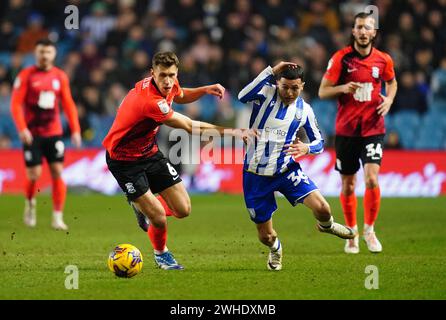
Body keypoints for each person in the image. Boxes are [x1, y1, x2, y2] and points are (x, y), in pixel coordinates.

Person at [103, 52, 250, 270]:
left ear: (176, 72)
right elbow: (190, 126)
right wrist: (232, 131)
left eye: (171, 75)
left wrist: (205, 89)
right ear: (152, 73)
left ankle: (144, 206)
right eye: (162, 75)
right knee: (160, 218)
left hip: (149, 152)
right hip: (123, 160)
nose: (167, 81)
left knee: (183, 209)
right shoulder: (150, 102)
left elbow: (179, 95)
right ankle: (161, 254)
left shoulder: (168, 83)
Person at [238, 61, 355, 271]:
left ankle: (326, 226)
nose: (290, 92)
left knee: (323, 208)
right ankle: (275, 249)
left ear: (302, 86)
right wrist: (271, 70)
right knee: (266, 236)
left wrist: (306, 148)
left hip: (286, 170)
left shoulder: (305, 111)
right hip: (255, 175)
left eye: (295, 88)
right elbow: (241, 95)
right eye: (285, 87)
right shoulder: (264, 93)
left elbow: (319, 141)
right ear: (277, 83)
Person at [318, 12, 398, 254]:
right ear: (353, 31)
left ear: (374, 33)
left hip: (373, 128)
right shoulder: (341, 59)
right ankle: (351, 233)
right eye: (359, 27)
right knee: (349, 185)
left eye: (368, 28)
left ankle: (369, 230)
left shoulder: (383, 60)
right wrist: (344, 87)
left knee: (372, 178)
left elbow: (392, 82)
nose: (363, 32)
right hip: (346, 131)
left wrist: (390, 100)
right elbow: (323, 91)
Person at [10, 38, 82, 231]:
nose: (44, 56)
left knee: (58, 171)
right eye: (41, 52)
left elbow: (68, 104)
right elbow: (16, 103)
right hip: (32, 134)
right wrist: (22, 128)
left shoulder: (60, 76)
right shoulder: (26, 75)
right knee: (34, 174)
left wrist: (75, 129)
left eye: (48, 52)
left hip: (53, 133)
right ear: (36, 53)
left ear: (54, 54)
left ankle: (57, 216)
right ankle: (30, 205)